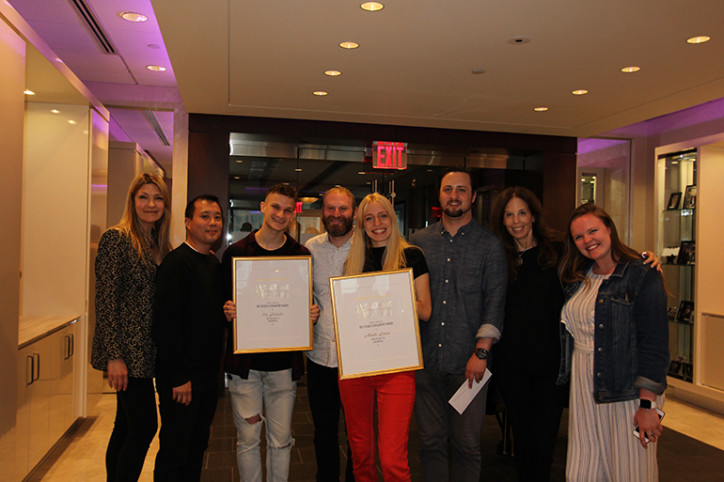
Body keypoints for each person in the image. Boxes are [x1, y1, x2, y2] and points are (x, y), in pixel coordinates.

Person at [558, 203, 669, 481]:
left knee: (630, 472)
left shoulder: (641, 273)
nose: (587, 240)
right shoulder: (578, 276)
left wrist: (647, 406)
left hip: (625, 391)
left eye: (593, 231)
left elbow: (654, 344)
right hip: (584, 390)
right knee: (582, 472)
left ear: (609, 228)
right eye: (579, 236)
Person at [410, 167, 507, 482]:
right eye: (448, 189)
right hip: (425, 362)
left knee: (466, 445)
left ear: (473, 196)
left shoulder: (489, 246)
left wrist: (481, 353)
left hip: (469, 364)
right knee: (430, 444)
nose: (454, 196)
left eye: (461, 190)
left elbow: (495, 303)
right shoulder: (418, 243)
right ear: (439, 196)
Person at [221, 183, 320, 482]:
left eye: (287, 210)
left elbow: (302, 303)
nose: (280, 214)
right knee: (248, 441)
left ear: (293, 215)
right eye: (275, 207)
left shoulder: (300, 255)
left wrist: (310, 315)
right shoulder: (236, 254)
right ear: (263, 207)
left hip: (283, 369)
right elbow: (223, 305)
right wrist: (227, 311)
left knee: (281, 441)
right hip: (245, 369)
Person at [339, 192, 432, 482]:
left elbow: (425, 310)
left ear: (392, 219)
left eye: (383, 216)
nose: (377, 224)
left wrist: (394, 295)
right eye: (369, 218)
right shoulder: (353, 262)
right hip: (357, 366)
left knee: (392, 460)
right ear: (361, 224)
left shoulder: (411, 256)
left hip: (397, 366)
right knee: (361, 456)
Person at [91, 172, 171, 482]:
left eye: (158, 198)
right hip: (126, 353)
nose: (151, 204)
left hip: (146, 352)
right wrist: (115, 356)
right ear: (132, 201)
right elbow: (106, 300)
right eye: (144, 197)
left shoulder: (158, 243)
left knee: (124, 426)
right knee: (144, 426)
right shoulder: (117, 238)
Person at [489, 187, 569, 481]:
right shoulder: (499, 257)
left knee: (544, 441)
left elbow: (598, 261)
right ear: (502, 220)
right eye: (509, 215)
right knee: (522, 440)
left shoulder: (558, 251)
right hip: (512, 366)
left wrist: (644, 260)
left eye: (522, 213)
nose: (516, 221)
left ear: (533, 215)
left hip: (550, 364)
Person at [153, 195, 228, 481]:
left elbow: (209, 317)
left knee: (197, 446)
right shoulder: (176, 264)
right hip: (182, 379)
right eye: (205, 216)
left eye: (217, 217)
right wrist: (178, 377)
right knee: (175, 451)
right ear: (187, 222)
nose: (213, 223)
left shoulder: (212, 263)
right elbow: (165, 325)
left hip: (206, 376)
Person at [305, 186, 357, 482]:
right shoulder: (310, 248)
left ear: (354, 212)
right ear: (322, 211)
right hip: (319, 357)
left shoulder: (367, 247)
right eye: (330, 208)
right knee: (323, 431)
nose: (336, 214)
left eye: (343, 208)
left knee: (357, 433)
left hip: (357, 361)